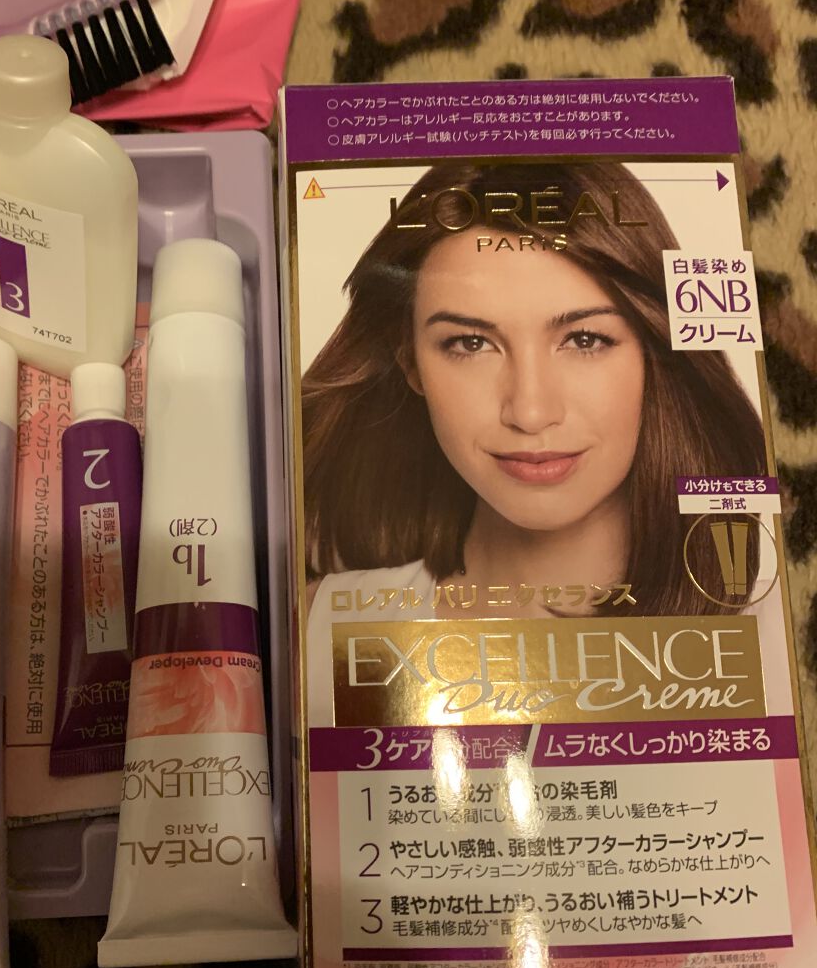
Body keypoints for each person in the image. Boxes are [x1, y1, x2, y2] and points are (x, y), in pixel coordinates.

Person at [302, 158, 768, 624]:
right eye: (471, 344)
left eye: (585, 340)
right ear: (410, 362)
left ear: (655, 350)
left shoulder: (760, 627)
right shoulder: (321, 623)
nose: (530, 412)